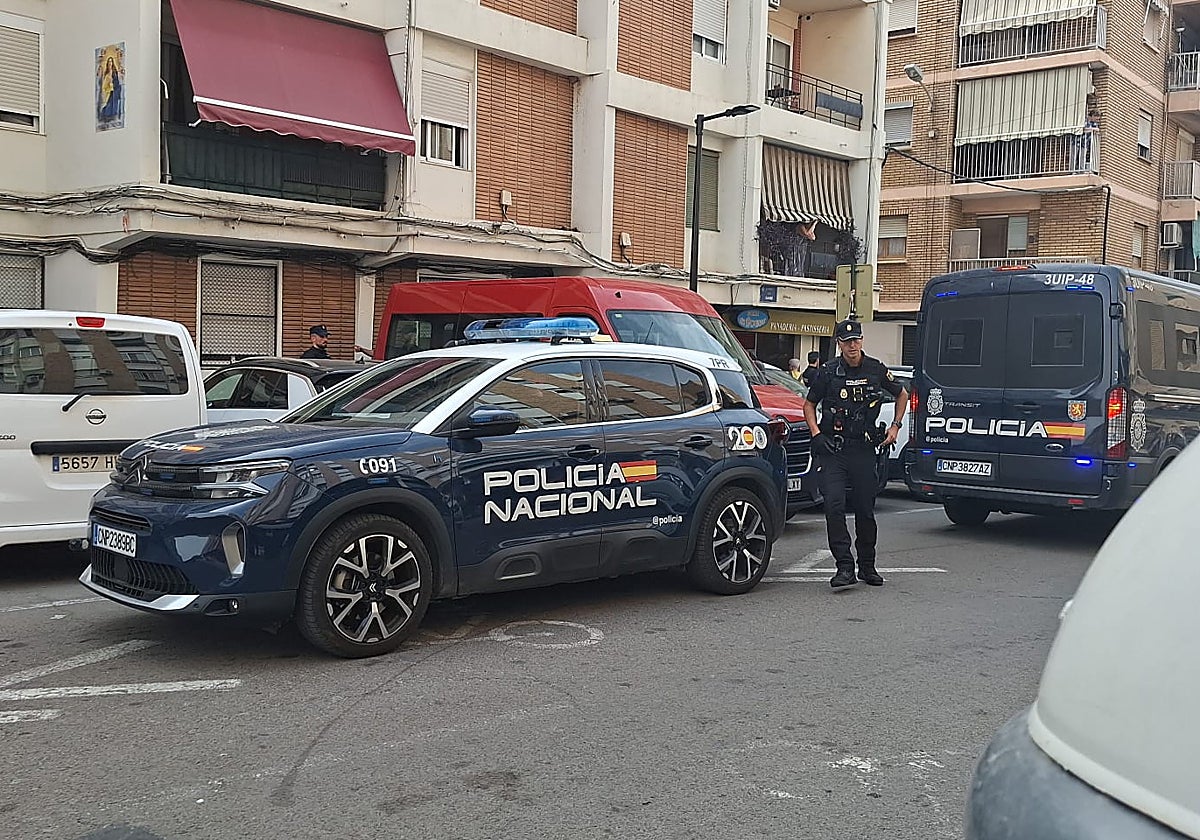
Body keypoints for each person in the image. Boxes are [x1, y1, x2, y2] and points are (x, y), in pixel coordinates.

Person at [802, 318, 908, 590]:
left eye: (856, 340)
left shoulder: (875, 368)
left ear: (861, 341)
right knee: (834, 507)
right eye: (847, 341)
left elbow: (902, 394)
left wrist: (895, 427)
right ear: (839, 344)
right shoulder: (828, 372)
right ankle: (844, 567)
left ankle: (867, 565)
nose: (852, 346)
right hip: (834, 449)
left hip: (863, 449)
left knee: (865, 510)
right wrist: (816, 434)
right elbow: (809, 405)